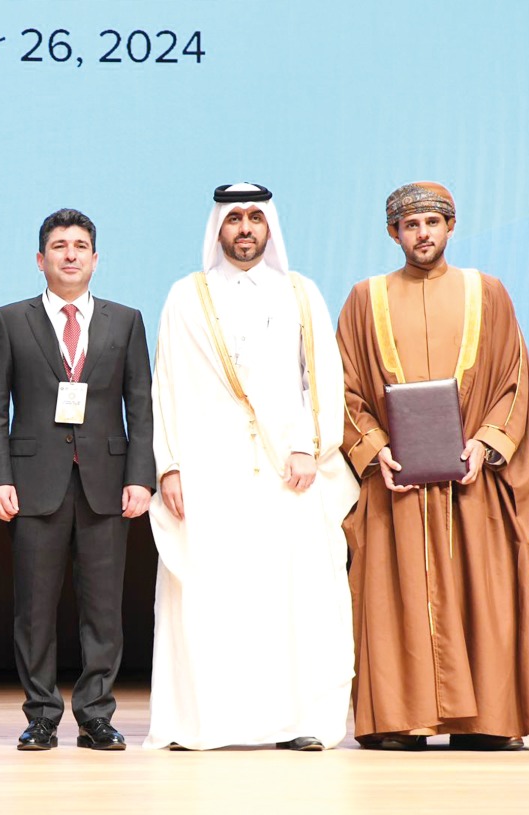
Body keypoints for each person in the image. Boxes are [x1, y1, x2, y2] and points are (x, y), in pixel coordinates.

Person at [144, 183, 359, 752]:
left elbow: (323, 379)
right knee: (214, 598)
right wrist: (169, 468)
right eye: (234, 218)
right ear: (217, 227)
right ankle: (209, 723)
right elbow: (163, 386)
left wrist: (310, 445)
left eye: (255, 218)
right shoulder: (186, 297)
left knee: (292, 598)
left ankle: (296, 723)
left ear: (270, 228)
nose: (244, 228)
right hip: (209, 474)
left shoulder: (300, 293)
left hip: (288, 473)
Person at [336, 181, 529, 751]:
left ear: (450, 226)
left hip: (470, 483)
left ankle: (487, 721)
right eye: (410, 225)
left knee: (483, 593)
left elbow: (513, 383)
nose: (422, 234)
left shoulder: (488, 292)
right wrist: (374, 446)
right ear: (392, 233)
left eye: (431, 222)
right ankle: (398, 721)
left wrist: (483, 443)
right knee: (391, 596)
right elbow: (345, 389)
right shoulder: (364, 298)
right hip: (396, 483)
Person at [0, 209, 154, 751]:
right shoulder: (10, 319)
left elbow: (141, 406)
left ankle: (96, 714)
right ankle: (40, 716)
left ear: (96, 259)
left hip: (106, 480)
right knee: (34, 609)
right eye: (59, 246)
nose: (71, 254)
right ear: (40, 259)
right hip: (33, 482)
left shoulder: (126, 320)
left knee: (103, 607)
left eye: (81, 245)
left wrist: (140, 476)